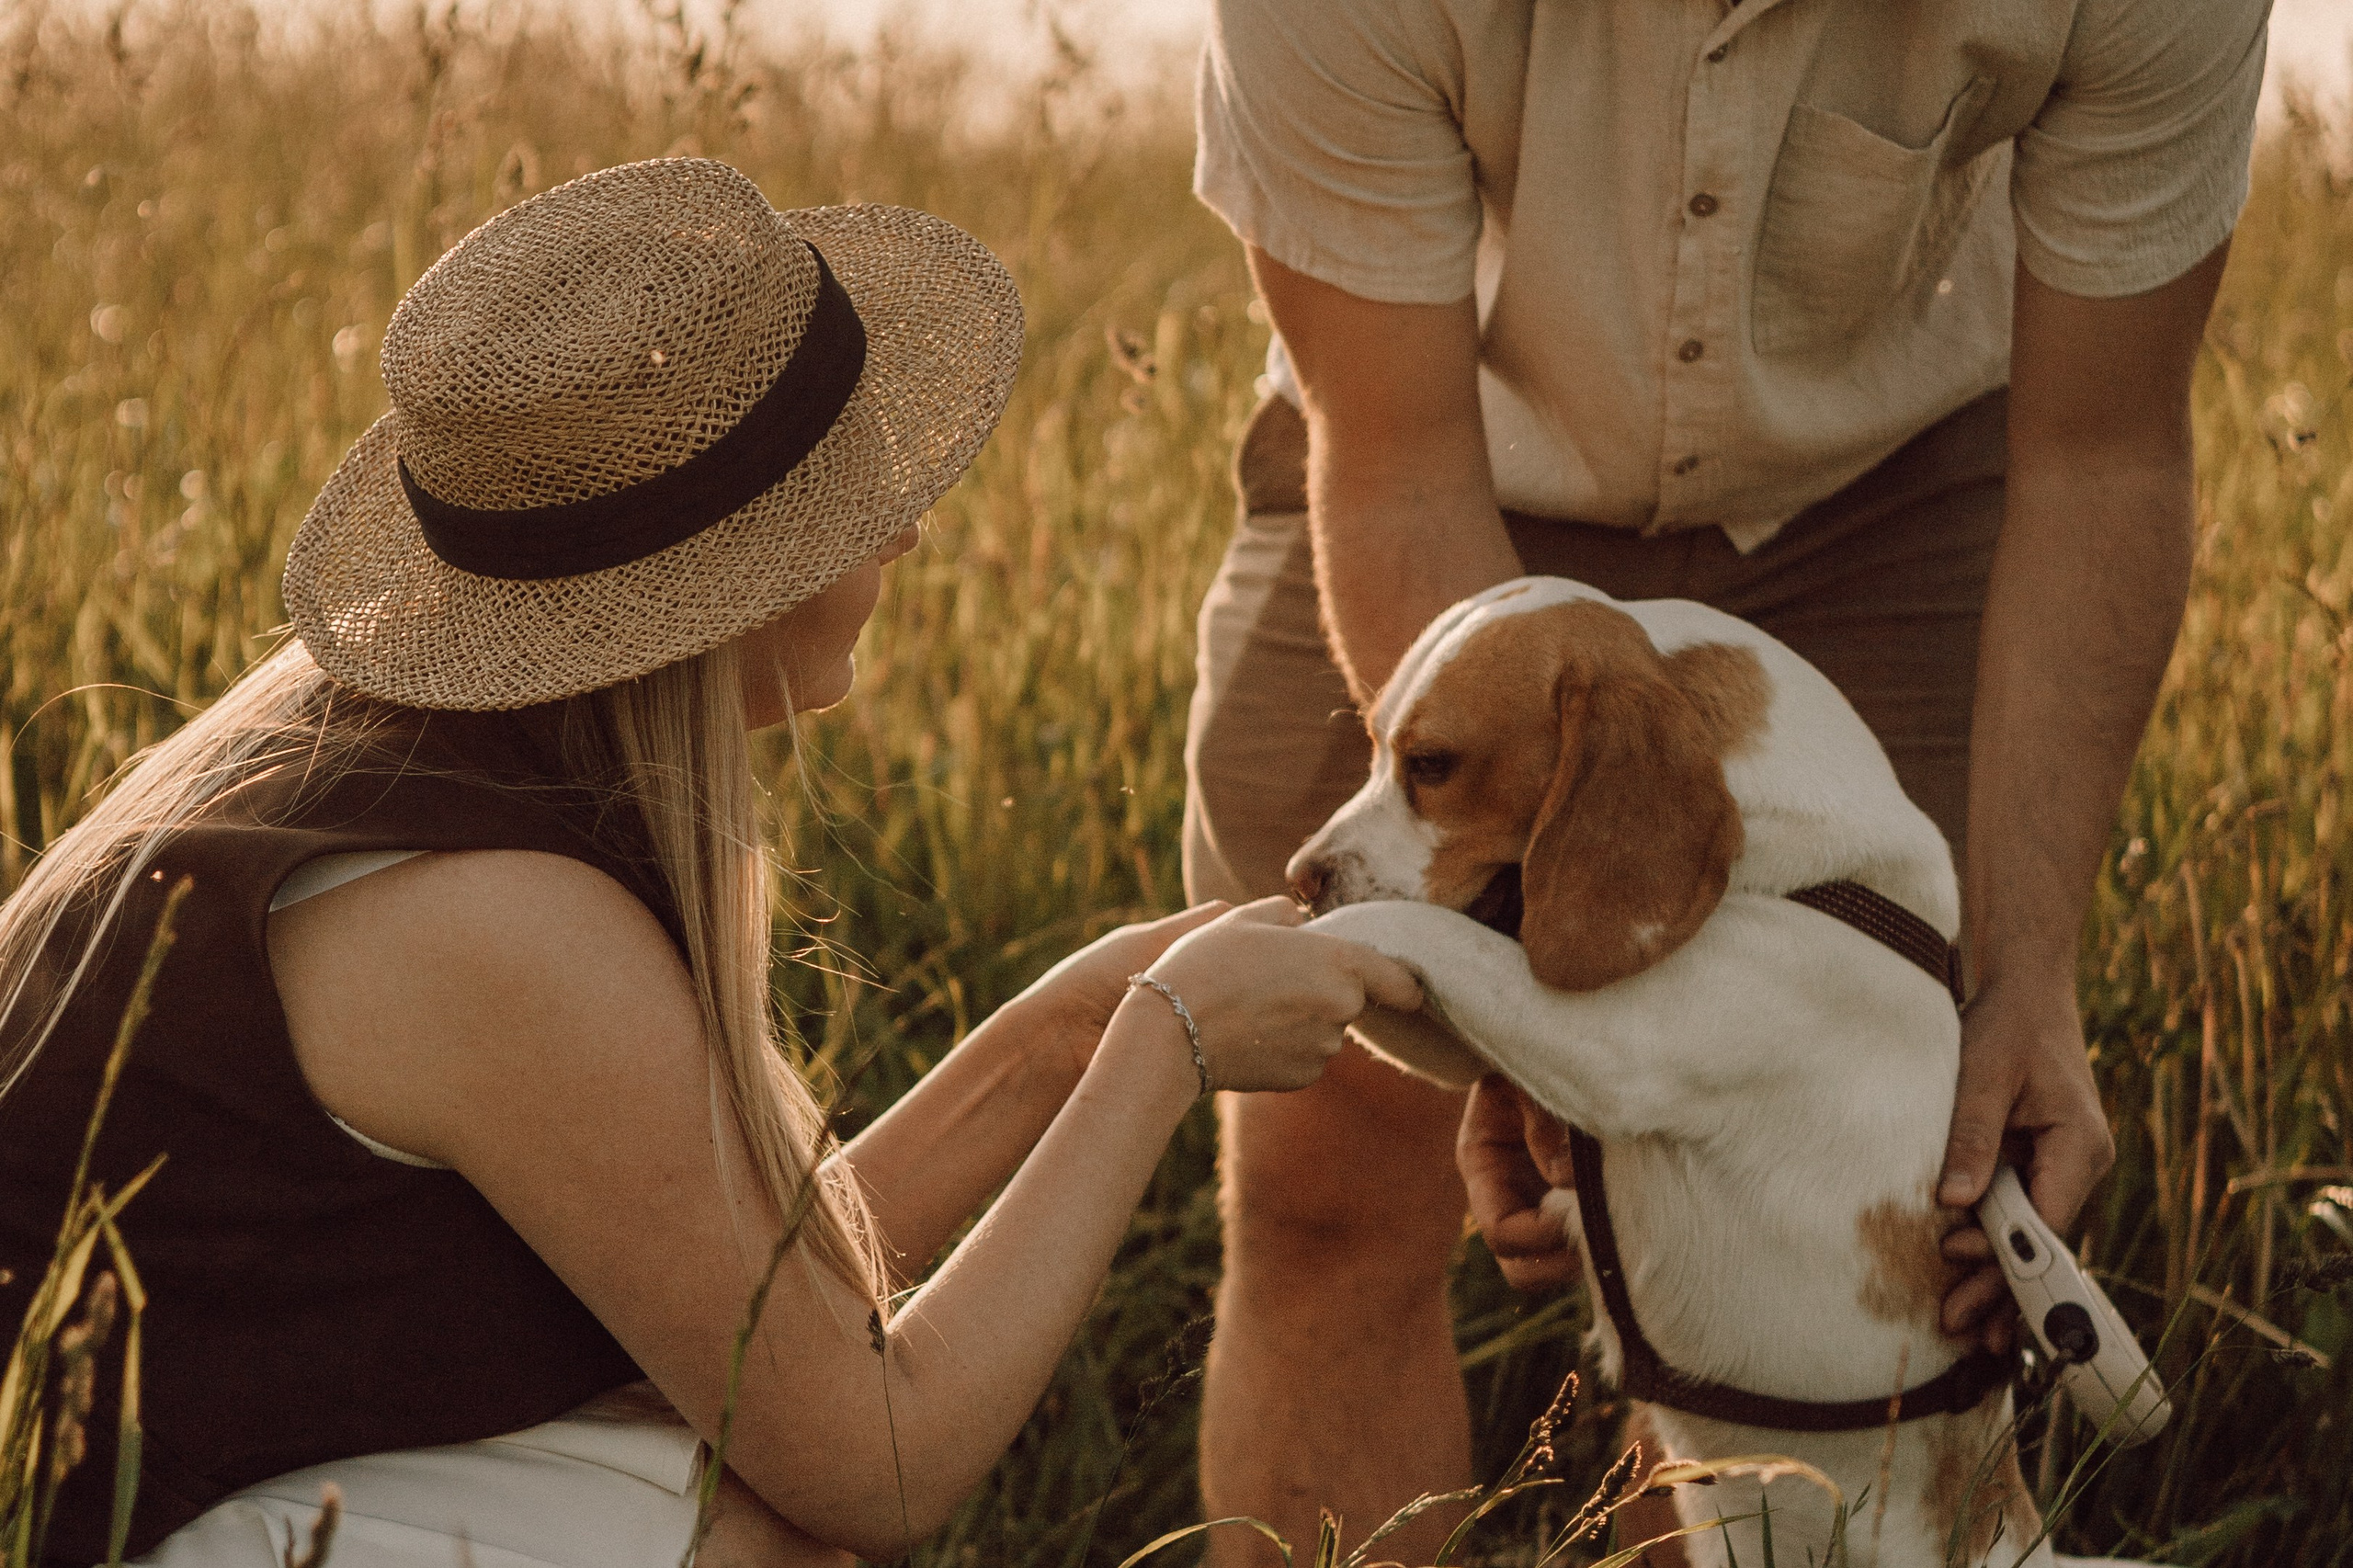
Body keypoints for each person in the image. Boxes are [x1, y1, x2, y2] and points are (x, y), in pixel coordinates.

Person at [0, 156, 1422, 1568]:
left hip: (192, 1484)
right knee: (761, 1543)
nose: (910, 525)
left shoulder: (391, 764)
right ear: (729, 584)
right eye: (856, 498)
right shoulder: (486, 917)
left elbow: (745, 1303)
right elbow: (880, 1459)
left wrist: (1067, 1032)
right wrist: (1165, 1048)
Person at [1182, 2, 2271, 1560]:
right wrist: (1522, 1008)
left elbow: (2104, 455)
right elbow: (1400, 458)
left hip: (1887, 486)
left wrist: (2030, 971)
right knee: (1325, 1179)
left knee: (1818, 1215)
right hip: (1442, 462)